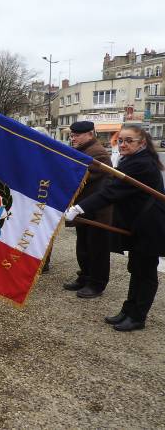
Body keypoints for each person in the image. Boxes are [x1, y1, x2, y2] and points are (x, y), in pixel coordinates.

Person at [65, 124, 165, 331]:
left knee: (145, 272)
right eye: (121, 140)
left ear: (142, 143)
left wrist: (80, 207)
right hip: (139, 223)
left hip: (151, 226)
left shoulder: (142, 164)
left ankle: (137, 316)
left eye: (129, 141)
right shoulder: (133, 160)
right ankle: (128, 310)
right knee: (136, 268)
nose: (123, 144)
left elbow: (111, 191)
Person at [63, 121, 113, 298]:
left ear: (90, 134)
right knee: (83, 246)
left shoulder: (98, 153)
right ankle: (84, 277)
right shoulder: (85, 151)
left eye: (76, 135)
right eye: (72, 135)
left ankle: (97, 284)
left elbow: (79, 176)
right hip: (85, 209)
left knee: (97, 249)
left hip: (97, 211)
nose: (73, 138)